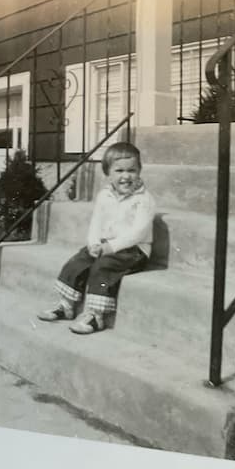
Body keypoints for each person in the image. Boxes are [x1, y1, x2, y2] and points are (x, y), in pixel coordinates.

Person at [37, 141, 156, 334]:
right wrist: (93, 244)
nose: (126, 176)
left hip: (135, 250)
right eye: (119, 171)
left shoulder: (144, 199)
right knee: (80, 259)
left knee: (103, 267)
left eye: (132, 170)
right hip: (105, 245)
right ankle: (66, 305)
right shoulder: (104, 196)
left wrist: (110, 247)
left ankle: (95, 315)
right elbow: (96, 223)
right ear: (108, 173)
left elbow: (138, 233)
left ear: (140, 171)